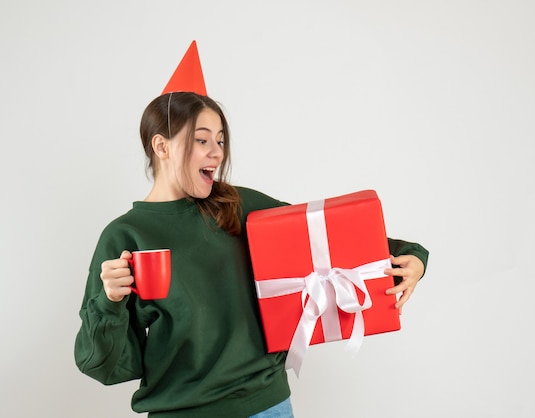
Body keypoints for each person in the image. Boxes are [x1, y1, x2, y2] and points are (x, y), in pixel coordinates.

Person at [74, 41, 429, 418]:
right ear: (161, 146)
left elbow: (329, 236)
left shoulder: (239, 206)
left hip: (268, 406)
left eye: (220, 140)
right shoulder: (126, 236)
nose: (217, 152)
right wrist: (110, 303)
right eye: (202, 140)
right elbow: (106, 367)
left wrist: (413, 257)